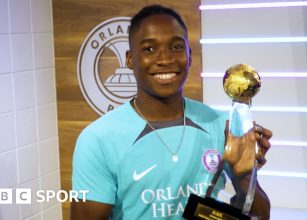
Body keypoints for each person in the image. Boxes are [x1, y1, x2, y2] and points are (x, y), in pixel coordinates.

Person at [71, 4, 273, 220]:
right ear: (130, 59)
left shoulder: (220, 126)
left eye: (176, 47)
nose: (165, 59)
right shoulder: (97, 139)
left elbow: (260, 216)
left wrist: (245, 177)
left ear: (189, 56)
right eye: (149, 49)